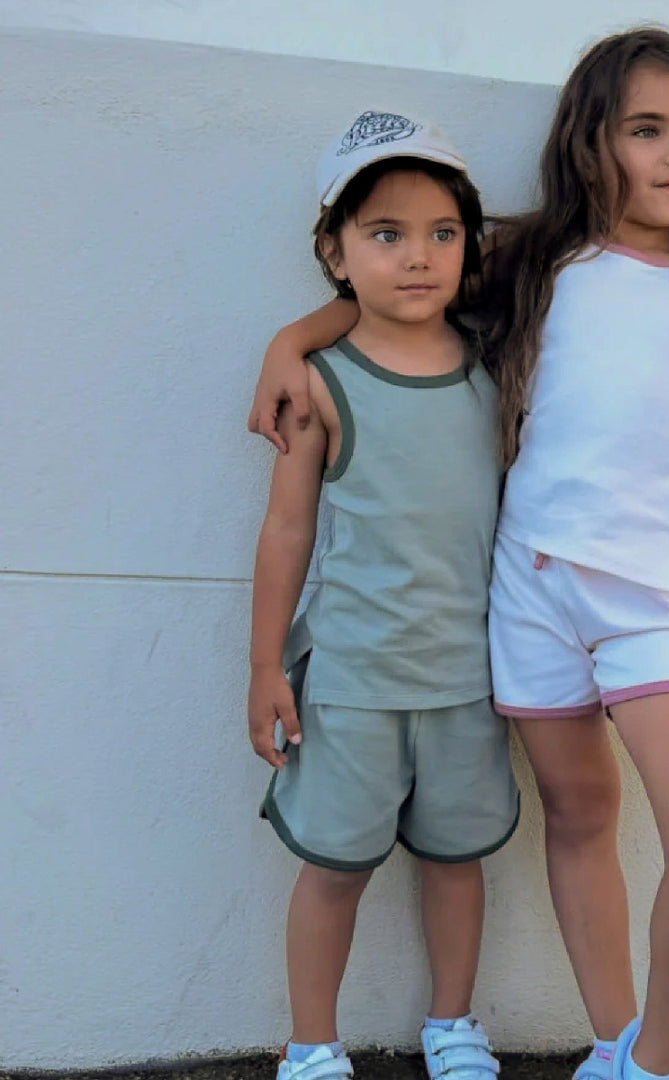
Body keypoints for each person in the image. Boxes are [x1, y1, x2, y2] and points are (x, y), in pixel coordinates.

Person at [249, 28, 669, 1080]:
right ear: (591, 141)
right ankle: (616, 1043)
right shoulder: (532, 261)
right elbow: (400, 280)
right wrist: (289, 341)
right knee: (579, 816)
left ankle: (654, 1063)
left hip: (650, 597)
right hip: (526, 596)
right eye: (646, 130)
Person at [247, 110, 518, 1080]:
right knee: (334, 870)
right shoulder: (320, 385)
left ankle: (453, 1024)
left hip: (468, 682)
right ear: (335, 249)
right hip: (351, 681)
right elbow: (287, 532)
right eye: (385, 234)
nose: (419, 257)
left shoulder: (499, 370)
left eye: (443, 233)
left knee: (457, 863)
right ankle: (311, 1044)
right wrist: (264, 669)